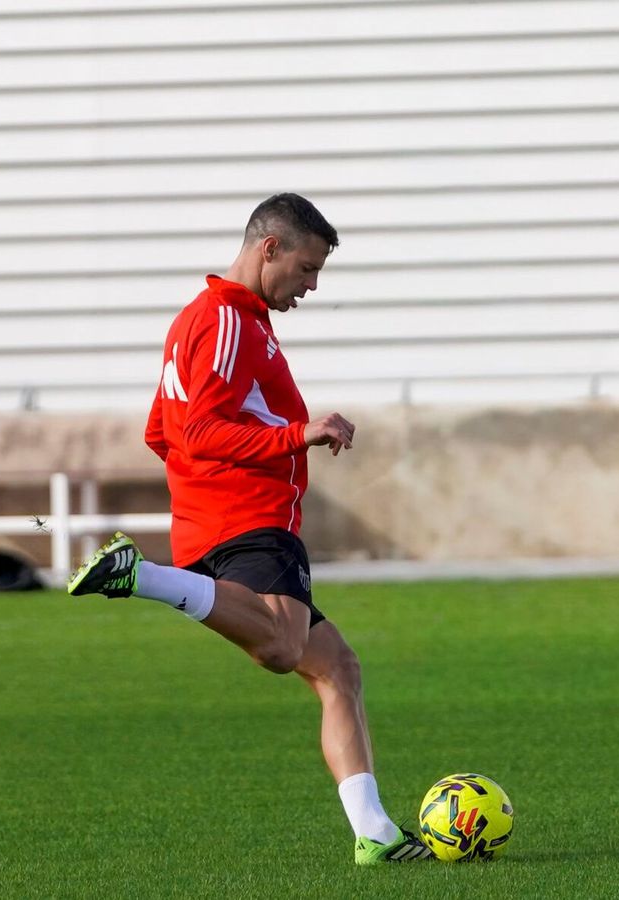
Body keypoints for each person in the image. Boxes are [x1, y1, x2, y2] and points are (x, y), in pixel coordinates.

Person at [66, 193, 431, 865]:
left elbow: (161, 430)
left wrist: (212, 487)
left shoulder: (220, 322)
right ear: (270, 249)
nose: (311, 286)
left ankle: (376, 835)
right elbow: (196, 431)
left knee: (338, 670)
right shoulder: (227, 321)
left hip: (225, 521)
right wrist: (300, 434)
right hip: (249, 521)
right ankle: (139, 575)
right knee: (284, 649)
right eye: (308, 268)